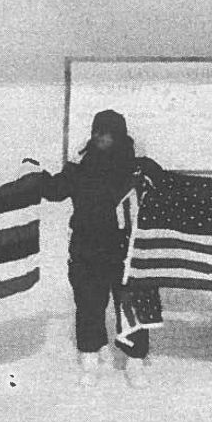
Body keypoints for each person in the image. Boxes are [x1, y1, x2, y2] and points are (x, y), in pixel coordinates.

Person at [42, 109, 162, 388]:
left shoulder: (138, 165)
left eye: (106, 132)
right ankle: (90, 360)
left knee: (132, 306)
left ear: (118, 134)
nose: (99, 137)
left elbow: (167, 190)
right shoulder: (81, 164)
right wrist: (33, 173)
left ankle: (134, 362)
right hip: (87, 248)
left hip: (126, 250)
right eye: (96, 131)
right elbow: (56, 190)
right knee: (88, 305)